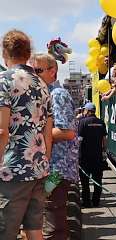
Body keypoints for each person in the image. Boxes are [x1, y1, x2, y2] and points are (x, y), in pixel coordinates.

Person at [0, 30, 53, 240]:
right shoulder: (42, 85)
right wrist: (44, 162)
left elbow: (2, 131)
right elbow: (48, 132)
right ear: (28, 53)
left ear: (5, 52)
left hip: (11, 171)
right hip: (38, 168)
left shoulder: (4, 80)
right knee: (34, 230)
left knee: (6, 232)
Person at [29, 53, 79, 239]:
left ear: (53, 72)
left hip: (57, 170)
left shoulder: (56, 94)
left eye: (38, 71)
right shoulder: (45, 94)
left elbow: (67, 132)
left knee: (52, 224)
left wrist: (31, 136)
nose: (33, 75)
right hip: (52, 169)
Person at [78, 102, 107, 207]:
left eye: (84, 110)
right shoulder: (101, 122)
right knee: (97, 180)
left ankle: (86, 202)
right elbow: (104, 139)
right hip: (97, 156)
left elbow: (79, 140)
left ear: (87, 111)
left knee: (85, 182)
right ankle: (96, 201)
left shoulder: (82, 122)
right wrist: (104, 151)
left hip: (84, 157)